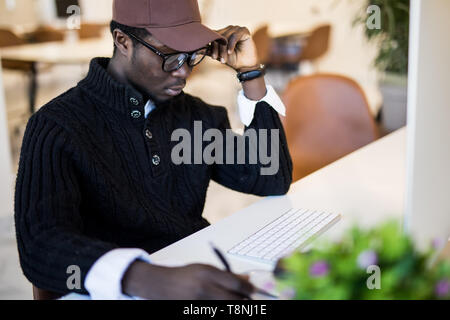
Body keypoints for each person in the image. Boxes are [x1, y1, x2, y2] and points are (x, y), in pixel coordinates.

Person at [14, 0, 292, 300]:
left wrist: (251, 74)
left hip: (194, 278)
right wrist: (143, 277)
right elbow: (41, 246)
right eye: (171, 57)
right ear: (123, 41)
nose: (184, 72)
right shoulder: (58, 126)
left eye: (192, 56)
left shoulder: (195, 116)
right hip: (118, 290)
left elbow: (271, 176)